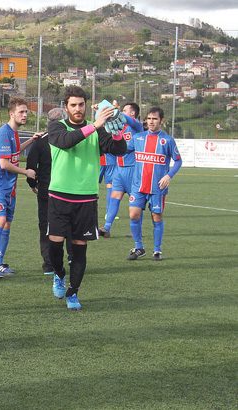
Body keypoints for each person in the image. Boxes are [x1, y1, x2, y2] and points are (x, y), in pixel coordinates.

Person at [46, 86, 126, 310]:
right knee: (55, 246)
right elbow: (65, 141)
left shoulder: (98, 131)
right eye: (73, 105)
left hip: (86, 198)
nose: (78, 109)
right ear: (66, 107)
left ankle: (73, 292)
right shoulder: (56, 126)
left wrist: (117, 133)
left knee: (80, 247)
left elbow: (117, 149)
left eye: (81, 104)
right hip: (59, 196)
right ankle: (59, 274)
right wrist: (96, 125)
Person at [0, 98, 38, 277]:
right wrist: (26, 172)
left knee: (7, 224)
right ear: (12, 113)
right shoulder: (3, 133)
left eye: (26, 112)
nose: (24, 115)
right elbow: (4, 164)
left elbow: (14, 152)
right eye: (21, 112)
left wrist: (31, 140)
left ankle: (0, 263)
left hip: (9, 186)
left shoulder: (13, 134)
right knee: (0, 221)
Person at [127, 107, 182, 261]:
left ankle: (157, 250)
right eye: (149, 118)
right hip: (138, 186)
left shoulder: (167, 140)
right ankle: (139, 247)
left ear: (161, 121)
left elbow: (178, 160)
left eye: (155, 119)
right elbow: (123, 149)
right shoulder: (138, 138)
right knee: (133, 215)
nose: (151, 121)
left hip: (157, 187)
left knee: (156, 217)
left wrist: (169, 175)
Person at [26, 107, 74, 275]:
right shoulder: (70, 139)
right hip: (68, 189)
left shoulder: (40, 141)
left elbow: (31, 164)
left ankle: (49, 263)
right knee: (69, 224)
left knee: (46, 226)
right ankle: (72, 257)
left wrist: (32, 183)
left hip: (46, 190)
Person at [97, 102, 144, 237]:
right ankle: (106, 228)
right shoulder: (119, 128)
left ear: (132, 113)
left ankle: (137, 231)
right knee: (114, 198)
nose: (122, 112)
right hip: (119, 170)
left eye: (125, 110)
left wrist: (115, 111)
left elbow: (128, 120)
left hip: (133, 170)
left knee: (136, 202)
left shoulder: (136, 126)